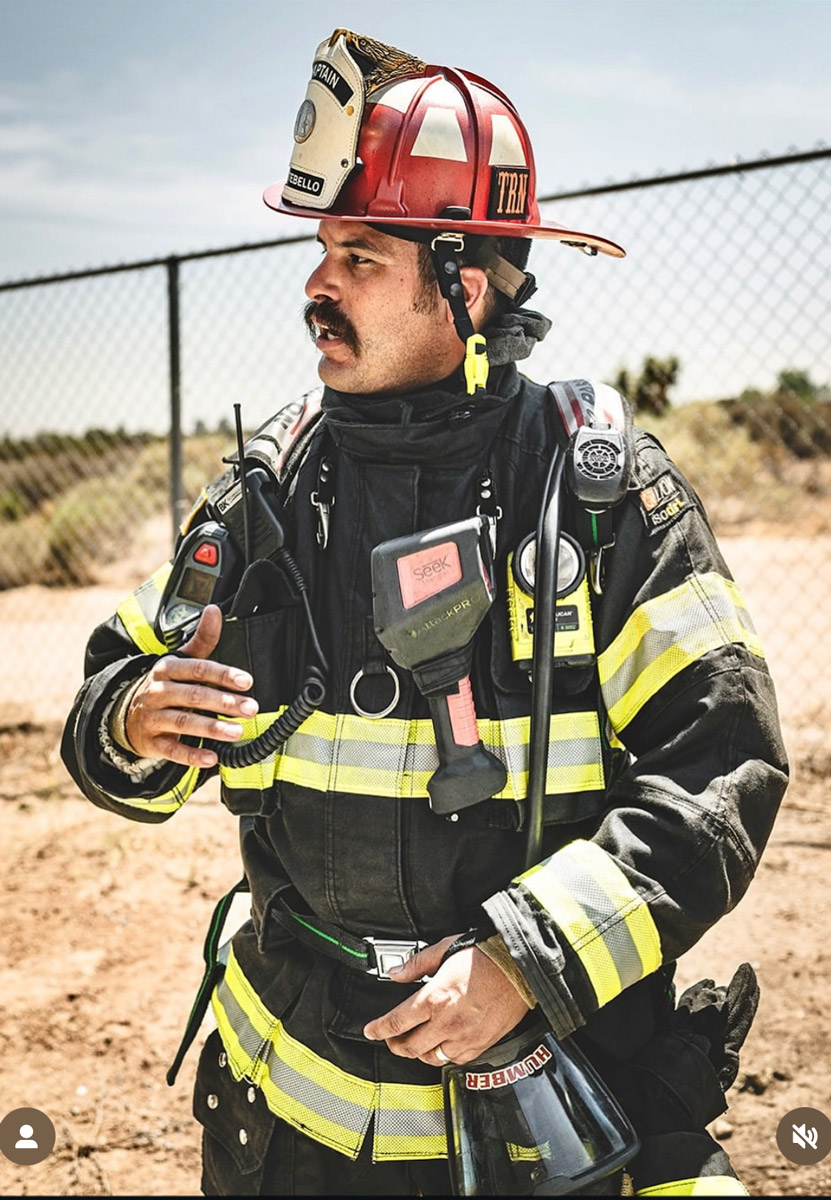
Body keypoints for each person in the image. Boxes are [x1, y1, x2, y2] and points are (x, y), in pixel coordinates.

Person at [61, 28, 788, 1198]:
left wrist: (527, 958)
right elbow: (111, 698)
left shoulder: (598, 490)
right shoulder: (268, 491)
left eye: (358, 254)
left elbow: (722, 766)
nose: (315, 284)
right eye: (320, 251)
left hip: (546, 1115)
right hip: (283, 1125)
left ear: (464, 279)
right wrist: (135, 717)